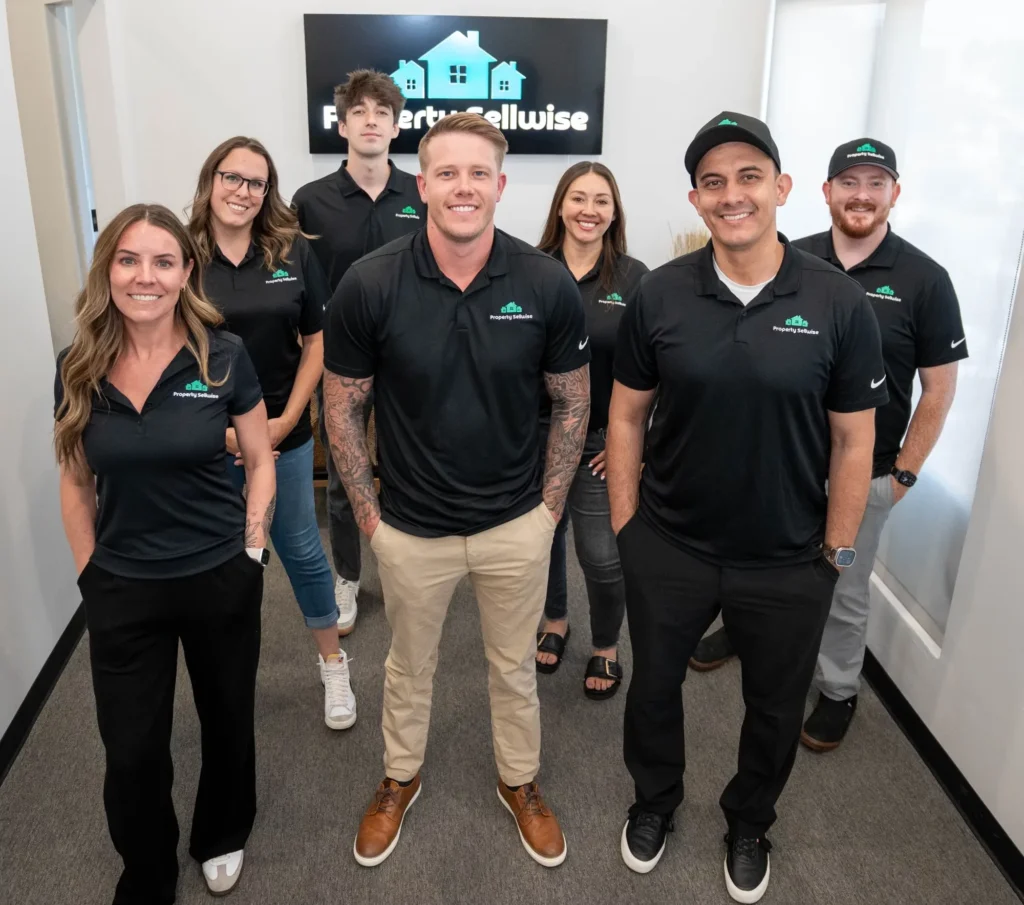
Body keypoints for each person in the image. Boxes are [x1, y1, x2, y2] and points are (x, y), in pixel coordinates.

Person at [607, 112, 888, 903]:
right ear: (696, 199)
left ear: (783, 188)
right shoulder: (660, 293)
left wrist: (836, 553)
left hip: (788, 558)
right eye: (713, 182)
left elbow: (855, 442)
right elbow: (625, 417)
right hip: (670, 545)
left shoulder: (837, 301)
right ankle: (654, 800)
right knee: (653, 689)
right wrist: (628, 531)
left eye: (749, 176)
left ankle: (750, 821)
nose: (732, 194)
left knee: (772, 707)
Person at [322, 112, 590, 869]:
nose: (463, 187)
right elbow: (341, 405)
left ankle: (520, 780)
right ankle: (399, 776)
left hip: (515, 523)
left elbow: (573, 399)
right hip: (411, 527)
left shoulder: (544, 282)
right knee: (408, 667)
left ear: (500, 185)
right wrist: (371, 520)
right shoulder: (370, 282)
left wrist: (548, 512)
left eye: (478, 173)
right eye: (447, 172)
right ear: (423, 184)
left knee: (513, 668)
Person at [690, 138, 967, 751]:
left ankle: (838, 688)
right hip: (776, 463)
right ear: (825, 191)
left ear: (895, 192)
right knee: (751, 562)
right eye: (848, 182)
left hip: (864, 469)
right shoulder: (790, 258)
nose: (861, 195)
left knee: (841, 587)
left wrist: (904, 474)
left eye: (875, 183)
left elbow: (940, 390)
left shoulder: (925, 279)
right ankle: (742, 631)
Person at [54, 203, 276, 903]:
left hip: (219, 574)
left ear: (185, 274)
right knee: (132, 746)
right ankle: (146, 867)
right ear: (108, 270)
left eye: (162, 261)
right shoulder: (78, 365)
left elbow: (261, 460)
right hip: (123, 586)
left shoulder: (223, 355)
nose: (143, 276)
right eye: (128, 260)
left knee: (227, 717)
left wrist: (252, 548)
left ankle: (222, 830)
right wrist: (91, 574)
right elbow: (75, 481)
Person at [188, 136, 356, 732]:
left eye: (256, 183)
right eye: (231, 177)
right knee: (218, 560)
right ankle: (227, 678)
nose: (243, 191)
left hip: (283, 430)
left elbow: (318, 341)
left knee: (302, 550)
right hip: (203, 437)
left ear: (268, 192)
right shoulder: (182, 255)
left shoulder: (292, 250)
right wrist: (221, 432)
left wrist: (287, 420)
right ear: (211, 181)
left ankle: (333, 662)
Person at [293, 69, 425, 635]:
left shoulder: (421, 192)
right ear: (343, 125)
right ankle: (346, 575)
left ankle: (407, 572)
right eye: (360, 112)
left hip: (411, 357)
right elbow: (299, 285)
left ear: (396, 127)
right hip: (340, 361)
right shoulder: (310, 201)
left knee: (407, 469)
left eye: (382, 113)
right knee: (346, 477)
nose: (371, 121)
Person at [534, 162, 648, 698]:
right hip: (535, 437)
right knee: (543, 543)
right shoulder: (530, 270)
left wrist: (638, 445)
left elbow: (657, 369)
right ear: (560, 206)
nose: (589, 210)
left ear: (614, 213)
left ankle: (606, 644)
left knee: (602, 557)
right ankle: (555, 619)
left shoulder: (635, 279)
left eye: (601, 201)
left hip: (603, 442)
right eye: (578, 198)